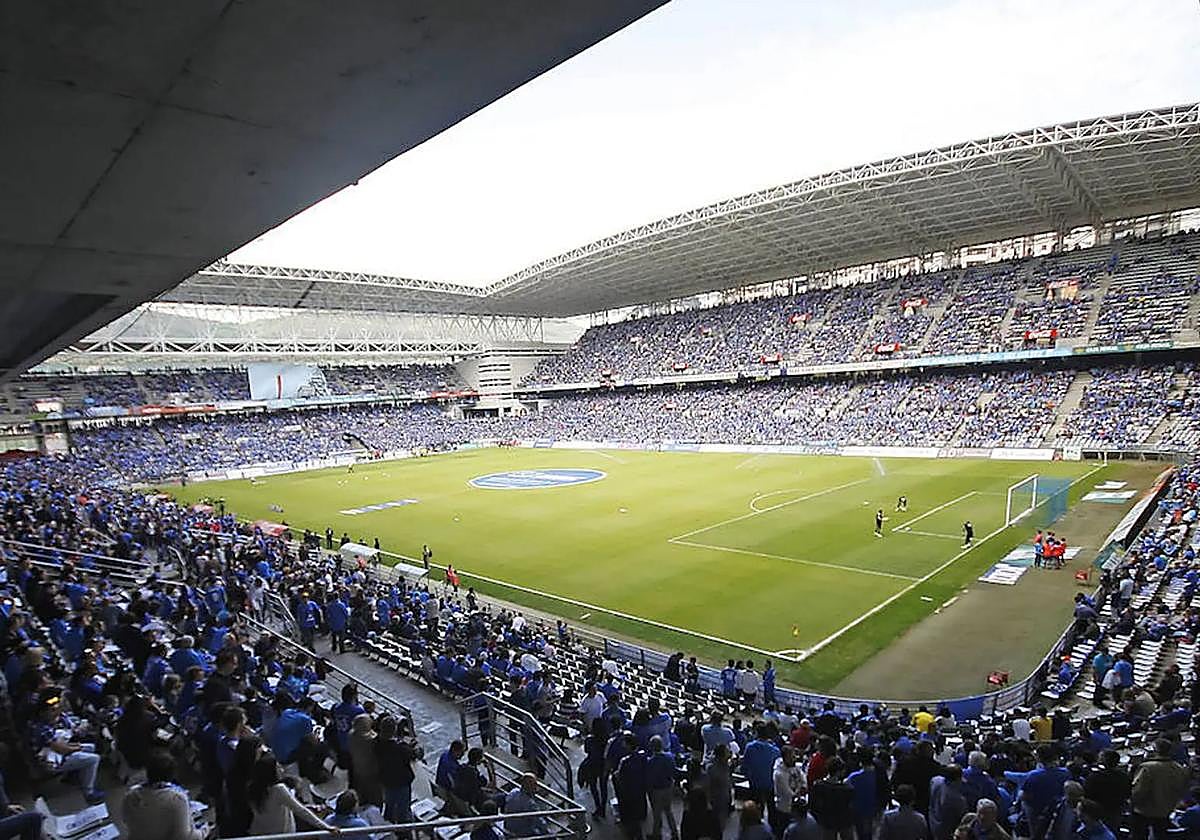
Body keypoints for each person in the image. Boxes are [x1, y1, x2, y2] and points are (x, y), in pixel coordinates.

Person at [121, 751, 204, 840]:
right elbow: (184, 837)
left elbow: (125, 822)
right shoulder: (176, 799)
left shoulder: (130, 796)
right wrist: (204, 830)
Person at [247, 754, 326, 835]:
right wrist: (325, 827)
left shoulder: (253, 789)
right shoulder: (278, 789)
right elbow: (300, 810)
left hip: (260, 834)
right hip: (280, 835)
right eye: (278, 767)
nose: (282, 770)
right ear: (272, 771)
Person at [1131, 739, 1190, 840]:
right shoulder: (1179, 768)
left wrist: (1132, 802)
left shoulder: (1147, 767)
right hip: (1166, 810)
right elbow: (1182, 789)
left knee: (1139, 836)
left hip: (1144, 811)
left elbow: (1139, 791)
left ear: (1155, 750)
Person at [376, 715, 420, 825]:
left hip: (385, 780)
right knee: (403, 809)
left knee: (389, 804)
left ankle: (388, 822)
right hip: (401, 782)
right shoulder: (400, 748)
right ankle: (403, 831)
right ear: (394, 730)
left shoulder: (376, 743)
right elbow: (413, 755)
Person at [647, 736, 678, 840]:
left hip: (657, 789)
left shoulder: (650, 762)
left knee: (657, 813)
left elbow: (649, 777)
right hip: (668, 787)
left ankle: (656, 834)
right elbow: (674, 771)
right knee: (669, 811)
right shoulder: (669, 757)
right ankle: (674, 833)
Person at [349, 713, 383, 807]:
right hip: (370, 770)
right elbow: (375, 738)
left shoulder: (351, 734)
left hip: (357, 767)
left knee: (361, 786)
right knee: (374, 792)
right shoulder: (370, 740)